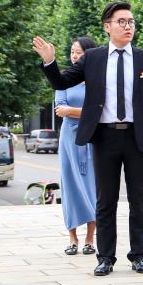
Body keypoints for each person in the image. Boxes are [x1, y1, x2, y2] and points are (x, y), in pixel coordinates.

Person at [33, 1, 143, 277]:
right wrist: (49, 61)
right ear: (107, 27)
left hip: (138, 138)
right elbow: (61, 82)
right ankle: (105, 257)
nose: (128, 26)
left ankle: (138, 255)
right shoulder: (93, 58)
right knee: (105, 200)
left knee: (139, 199)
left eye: (131, 21)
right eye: (121, 22)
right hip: (104, 137)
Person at [55, 36, 98, 256]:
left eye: (79, 52)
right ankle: (72, 238)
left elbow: (101, 110)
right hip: (68, 140)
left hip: (93, 137)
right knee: (69, 185)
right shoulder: (64, 79)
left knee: (93, 187)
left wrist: (75, 111)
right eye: (72, 52)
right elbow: (60, 109)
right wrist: (87, 112)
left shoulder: (98, 79)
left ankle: (91, 238)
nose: (74, 56)